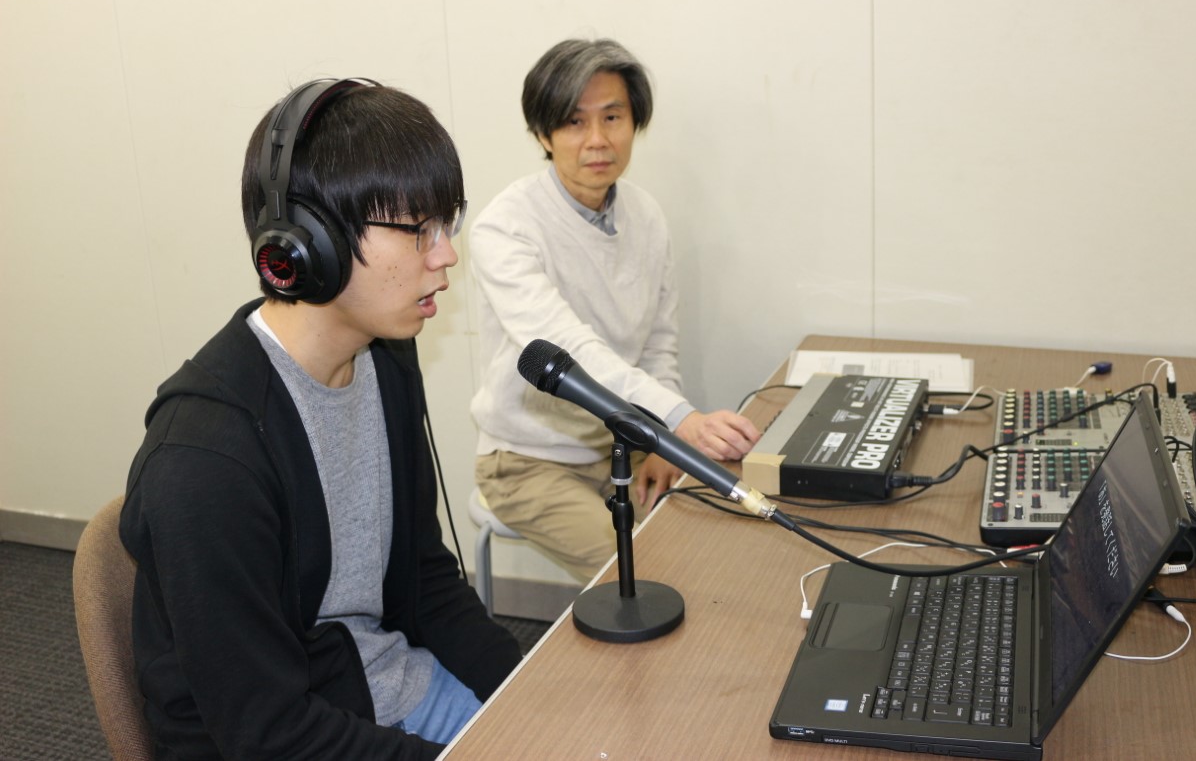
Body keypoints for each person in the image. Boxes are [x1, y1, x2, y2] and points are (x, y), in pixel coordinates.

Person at [119, 78, 521, 760]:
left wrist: (532, 690)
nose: (446, 253)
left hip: (388, 687)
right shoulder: (205, 461)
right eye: (419, 229)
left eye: (448, 223)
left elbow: (424, 579)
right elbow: (267, 732)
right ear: (310, 243)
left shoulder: (386, 360)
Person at [468, 39, 761, 583]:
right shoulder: (506, 226)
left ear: (635, 123)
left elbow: (657, 346)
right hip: (526, 463)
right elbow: (569, 352)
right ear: (542, 133)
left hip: (618, 450)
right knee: (644, 579)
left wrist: (661, 444)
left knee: (720, 555)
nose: (598, 140)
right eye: (575, 122)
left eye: (613, 117)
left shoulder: (646, 215)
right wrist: (679, 423)